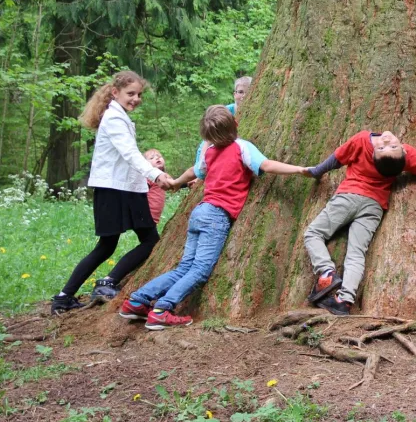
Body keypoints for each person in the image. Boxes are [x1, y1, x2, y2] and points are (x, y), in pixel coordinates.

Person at [120, 106, 308, 329]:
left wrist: (176, 182)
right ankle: (162, 309)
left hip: (200, 212)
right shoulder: (241, 147)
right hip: (216, 216)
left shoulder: (209, 152)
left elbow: (195, 171)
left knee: (184, 267)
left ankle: (136, 301)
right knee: (199, 270)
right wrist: (299, 169)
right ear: (236, 124)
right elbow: (266, 165)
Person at [304, 130, 416, 315]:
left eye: (389, 146)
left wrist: (316, 171)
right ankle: (345, 300)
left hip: (348, 198)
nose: (386, 141)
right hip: (374, 206)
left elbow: (336, 160)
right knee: (356, 253)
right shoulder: (408, 155)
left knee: (313, 234)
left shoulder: (362, 140)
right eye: (383, 146)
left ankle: (326, 273)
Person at [51, 71, 176, 315]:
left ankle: (103, 282)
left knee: (149, 241)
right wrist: (156, 175)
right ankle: (65, 296)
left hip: (129, 190)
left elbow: (129, 157)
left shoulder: (121, 118)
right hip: (113, 191)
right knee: (107, 245)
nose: (136, 99)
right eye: (131, 94)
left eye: (139, 94)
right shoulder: (114, 119)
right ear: (115, 93)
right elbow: (130, 154)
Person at [143, 149, 168, 226]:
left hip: (154, 216)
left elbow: (173, 184)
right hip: (147, 214)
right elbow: (141, 190)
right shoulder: (148, 177)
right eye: (152, 158)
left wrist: (187, 183)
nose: (157, 158)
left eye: (159, 156)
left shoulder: (164, 176)